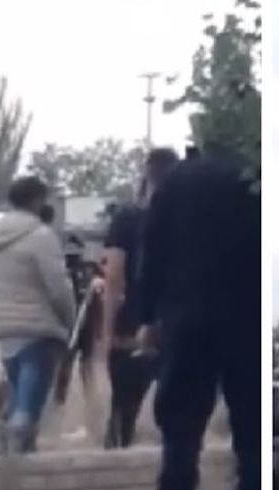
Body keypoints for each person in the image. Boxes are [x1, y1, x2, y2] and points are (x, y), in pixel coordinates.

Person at [128, 145, 261, 490]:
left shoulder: (177, 183)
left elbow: (152, 251)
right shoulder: (253, 179)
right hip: (247, 324)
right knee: (252, 439)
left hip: (187, 323)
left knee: (180, 436)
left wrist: (147, 317)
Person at [0, 176, 76, 453]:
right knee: (29, 402)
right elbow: (58, 286)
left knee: (18, 389)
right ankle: (15, 446)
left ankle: (6, 443)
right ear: (37, 200)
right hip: (37, 326)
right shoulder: (41, 236)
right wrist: (69, 320)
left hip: (2, 325)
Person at [101, 149, 179, 449]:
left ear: (146, 176)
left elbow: (114, 275)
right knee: (180, 413)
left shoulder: (127, 218)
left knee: (123, 408)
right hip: (177, 323)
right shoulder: (188, 219)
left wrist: (107, 330)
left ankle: (116, 459)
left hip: (131, 325)